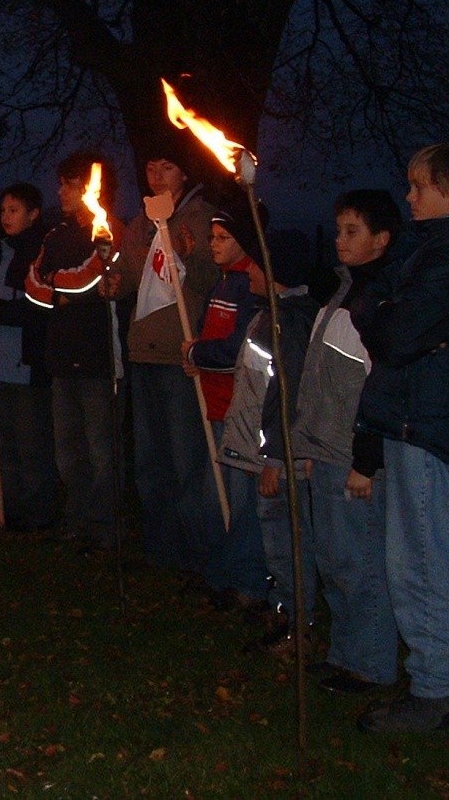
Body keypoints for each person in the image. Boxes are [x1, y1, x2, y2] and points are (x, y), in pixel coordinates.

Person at [353, 144, 449, 733]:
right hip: (414, 413)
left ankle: (437, 689)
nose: (409, 196)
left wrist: (377, 308)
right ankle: (433, 679)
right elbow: (385, 309)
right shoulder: (432, 248)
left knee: (423, 557)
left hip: (431, 419)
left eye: (419, 186)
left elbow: (396, 334)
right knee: (413, 553)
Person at [296, 189, 403, 695]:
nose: (339, 240)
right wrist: (313, 446)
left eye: (352, 231)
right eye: (338, 230)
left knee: (359, 561)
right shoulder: (343, 292)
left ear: (381, 239)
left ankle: (372, 663)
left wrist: (368, 459)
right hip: (328, 449)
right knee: (333, 558)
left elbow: (382, 387)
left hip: (355, 455)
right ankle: (347, 654)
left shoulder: (379, 302)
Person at [115, 143, 219, 574]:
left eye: (167, 164)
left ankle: (202, 555)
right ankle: (162, 551)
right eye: (151, 164)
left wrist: (188, 253)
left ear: (184, 174)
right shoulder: (141, 220)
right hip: (144, 351)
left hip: (180, 354)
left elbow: (207, 274)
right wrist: (111, 279)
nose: (156, 174)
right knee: (150, 460)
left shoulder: (198, 218)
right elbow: (128, 279)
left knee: (186, 460)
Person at [226, 230, 319, 655]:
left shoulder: (290, 322)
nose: (248, 271)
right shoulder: (269, 314)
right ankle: (284, 608)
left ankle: (296, 624)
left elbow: (289, 393)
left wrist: (276, 458)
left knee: (286, 540)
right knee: (274, 536)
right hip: (268, 454)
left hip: (280, 458)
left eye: (256, 265)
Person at [24, 155, 121, 547]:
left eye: (70, 185)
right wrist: (59, 293)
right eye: (61, 184)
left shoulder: (108, 230)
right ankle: (77, 519)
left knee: (101, 447)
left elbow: (91, 277)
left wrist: (59, 288)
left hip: (98, 356)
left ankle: (105, 527)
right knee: (68, 448)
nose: (61, 192)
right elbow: (33, 284)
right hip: (61, 355)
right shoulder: (55, 234)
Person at [184, 200, 266, 608]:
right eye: (212, 237)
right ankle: (218, 576)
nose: (213, 244)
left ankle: (248, 584)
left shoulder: (247, 283)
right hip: (213, 407)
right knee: (213, 500)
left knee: (242, 504)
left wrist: (197, 353)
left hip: (238, 415)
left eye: (222, 238)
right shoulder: (222, 281)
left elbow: (237, 348)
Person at [0, 182, 54, 531]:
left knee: (30, 442)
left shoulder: (37, 254)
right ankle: (11, 507)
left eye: (14, 210)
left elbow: (33, 310)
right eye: (3, 210)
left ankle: (38, 513)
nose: (6, 216)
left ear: (33, 215)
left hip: (25, 363)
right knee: (4, 440)